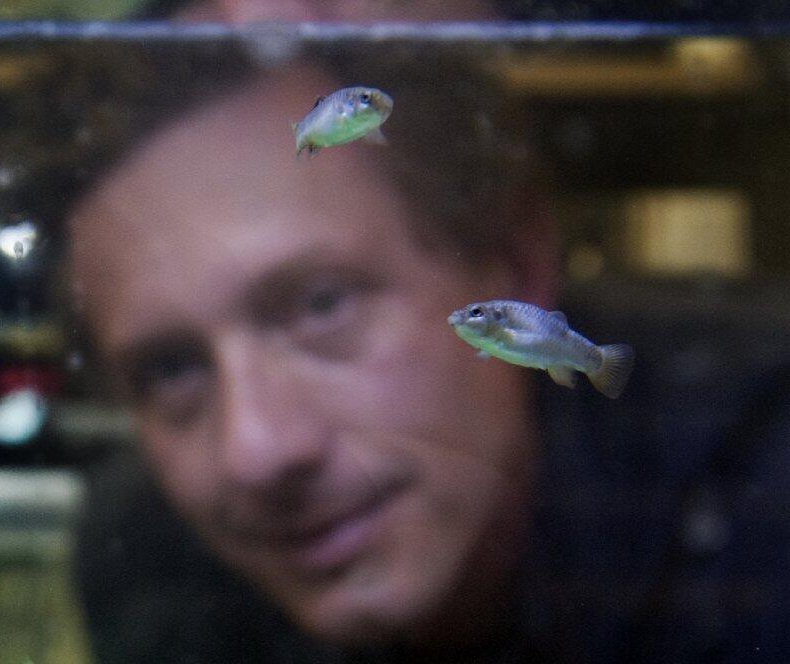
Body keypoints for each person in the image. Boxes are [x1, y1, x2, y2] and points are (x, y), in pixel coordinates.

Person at [65, 28, 790, 664]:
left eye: (323, 304)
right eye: (170, 368)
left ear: (517, 259)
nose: (259, 451)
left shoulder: (759, 465)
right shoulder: (145, 560)